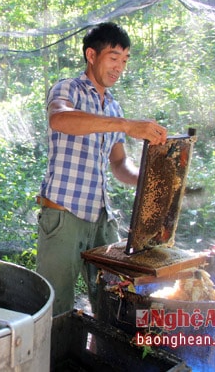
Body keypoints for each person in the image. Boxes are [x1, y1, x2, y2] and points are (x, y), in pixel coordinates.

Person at [36, 22, 167, 316]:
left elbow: (119, 163)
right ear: (91, 55)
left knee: (115, 299)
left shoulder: (114, 107)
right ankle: (54, 360)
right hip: (63, 214)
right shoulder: (68, 88)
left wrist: (149, 182)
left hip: (102, 217)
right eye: (113, 57)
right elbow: (60, 119)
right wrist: (126, 125)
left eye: (124, 60)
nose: (119, 67)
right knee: (56, 308)